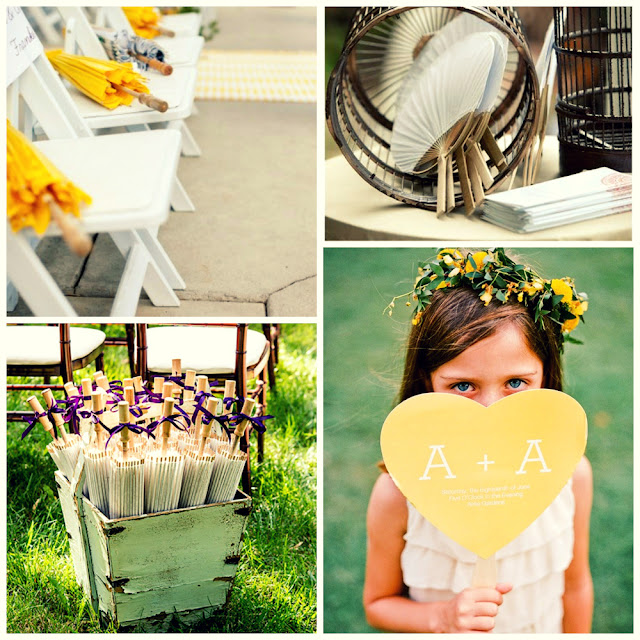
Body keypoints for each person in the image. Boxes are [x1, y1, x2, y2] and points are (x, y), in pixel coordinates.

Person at [364, 248, 593, 633]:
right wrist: (443, 616)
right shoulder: (397, 494)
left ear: (546, 376)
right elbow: (378, 604)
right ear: (427, 382)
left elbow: (576, 586)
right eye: (464, 385)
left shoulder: (572, 474)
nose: (490, 408)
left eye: (515, 383)